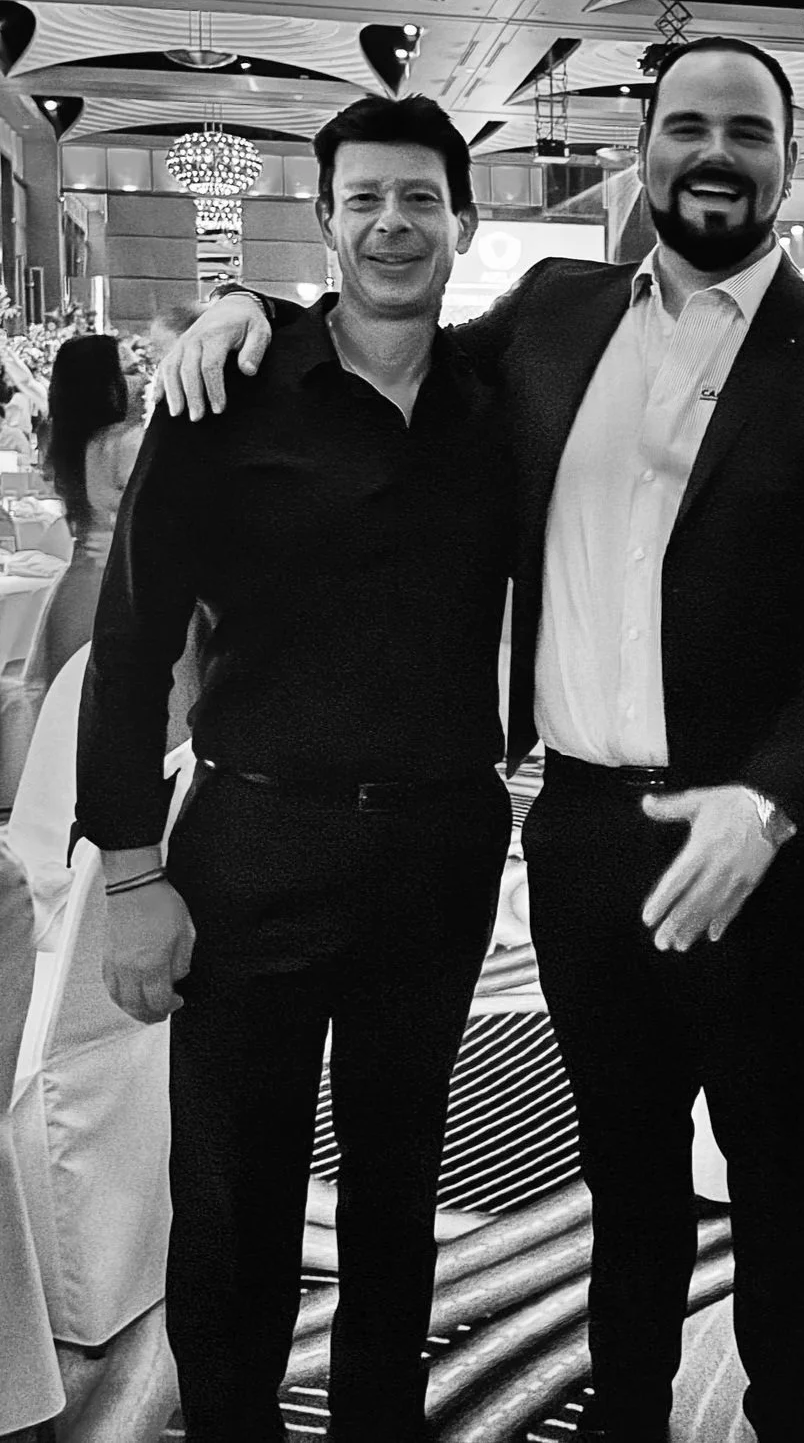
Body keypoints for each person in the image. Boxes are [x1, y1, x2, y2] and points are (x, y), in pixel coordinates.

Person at [160, 35, 804, 1443]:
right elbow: (383, 334)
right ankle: (628, 1418)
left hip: (753, 838)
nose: (713, 152)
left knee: (772, 1177)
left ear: (787, 159)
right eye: (685, 124)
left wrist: (768, 801)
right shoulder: (555, 313)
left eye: (744, 131)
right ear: (640, 151)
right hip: (575, 830)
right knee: (624, 1176)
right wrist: (245, 310)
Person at [75, 94, 514, 1443]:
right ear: (325, 220)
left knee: (398, 1184)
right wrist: (131, 869)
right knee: (234, 1196)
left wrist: (242, 292)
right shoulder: (226, 392)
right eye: (365, 198)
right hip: (254, 839)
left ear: (463, 222)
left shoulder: (506, 392)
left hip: (439, 848)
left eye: (421, 199)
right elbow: (132, 641)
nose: (393, 223)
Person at [30, 335, 145, 689]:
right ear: (104, 383)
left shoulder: (64, 440)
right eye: (131, 370)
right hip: (122, 594)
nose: (143, 379)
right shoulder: (129, 442)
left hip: (75, 593)